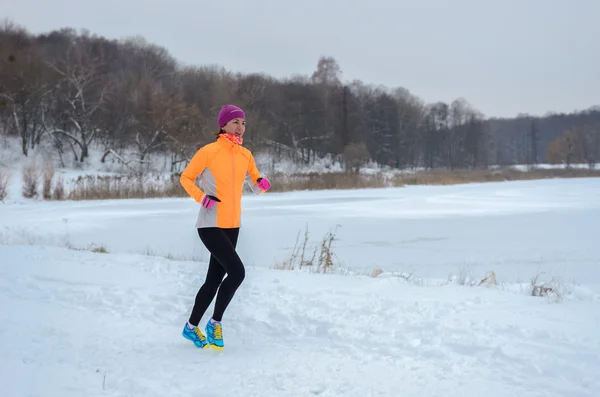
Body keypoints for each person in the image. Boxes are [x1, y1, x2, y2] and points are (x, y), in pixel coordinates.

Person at [179, 104, 271, 350]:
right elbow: (186, 178)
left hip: (233, 224)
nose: (240, 127)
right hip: (210, 223)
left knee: (213, 280)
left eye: (243, 123)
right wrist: (201, 197)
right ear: (223, 125)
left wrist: (262, 183)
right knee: (238, 272)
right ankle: (214, 323)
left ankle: (190, 328)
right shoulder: (209, 151)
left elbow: (254, 181)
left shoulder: (245, 155)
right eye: (235, 122)